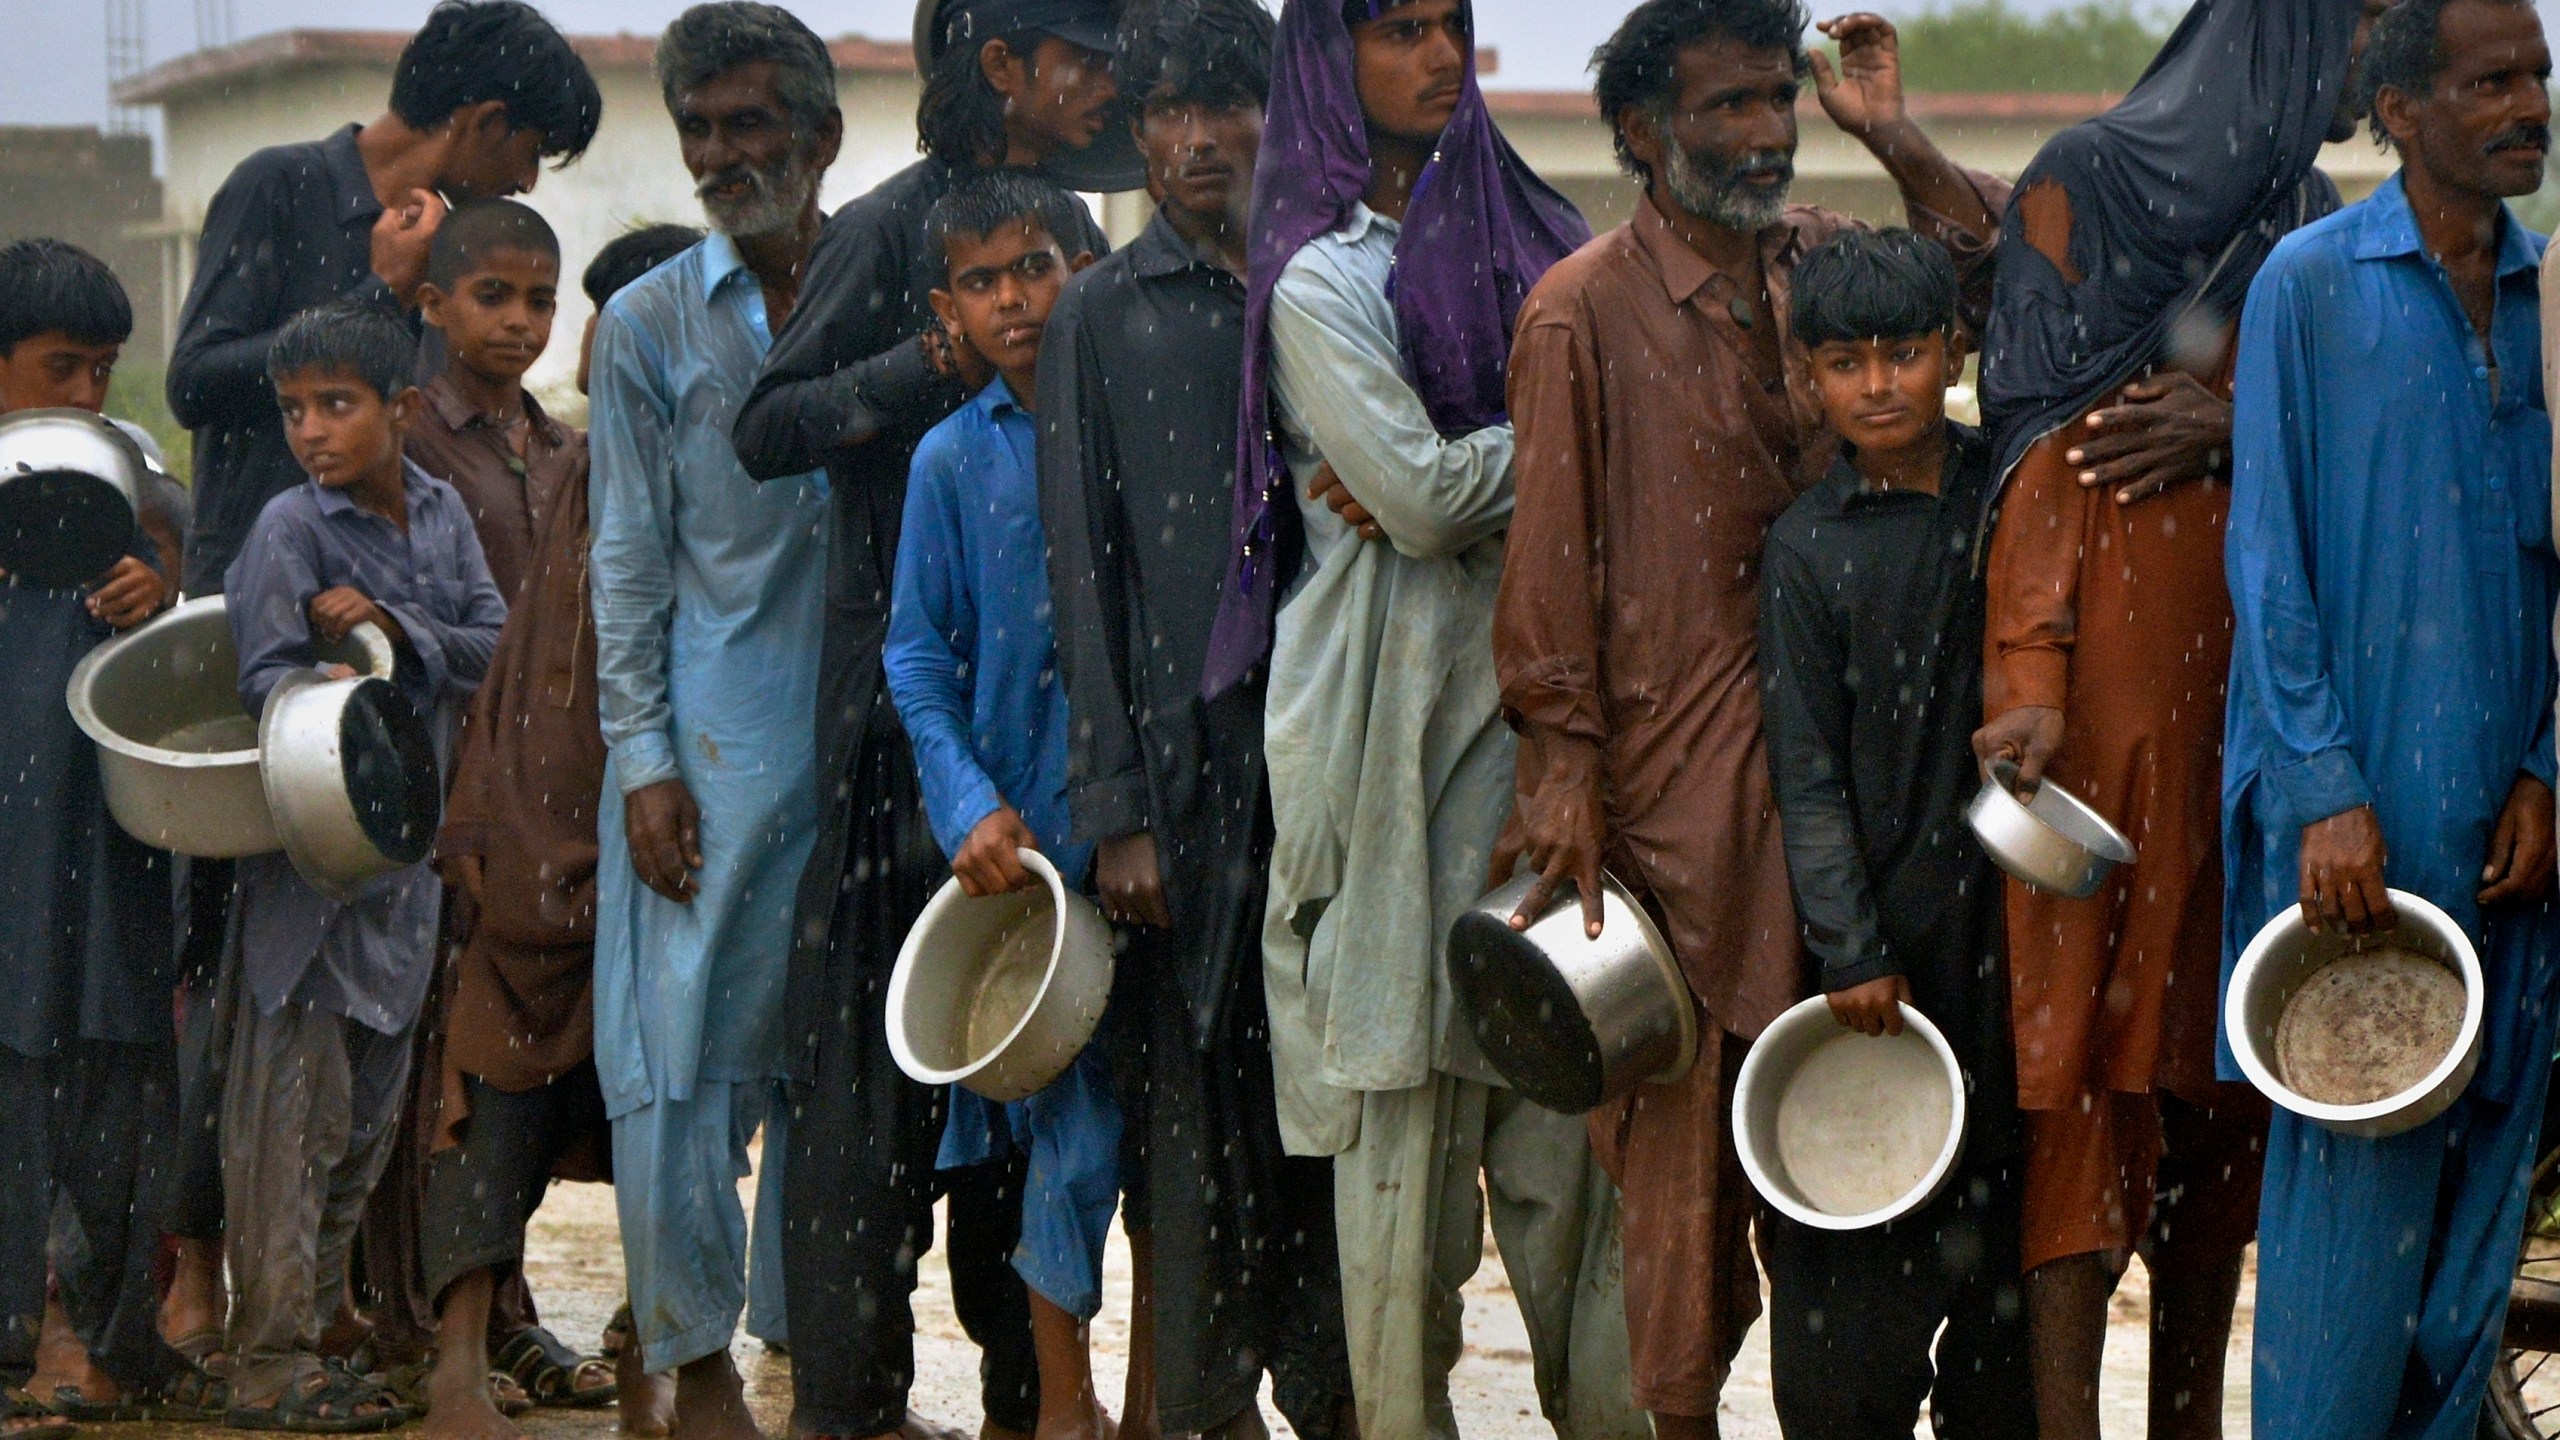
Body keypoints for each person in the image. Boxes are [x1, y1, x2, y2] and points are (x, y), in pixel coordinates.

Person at [1491, 3, 2004, 1433]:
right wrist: (1561, 770)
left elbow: (1992, 272)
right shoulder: (1578, 313)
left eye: (1778, 99)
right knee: (1682, 1190)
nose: (1768, 131)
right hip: (1683, 814)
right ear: (1644, 132)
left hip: (1862, 798)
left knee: (1854, 1150)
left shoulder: (1826, 270)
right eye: (1727, 107)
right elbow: (1548, 579)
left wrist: (1889, 131)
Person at [1190, 4, 1628, 1438]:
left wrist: (1466, 461)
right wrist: (1553, 428)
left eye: (1451, 24)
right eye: (1395, 30)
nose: (1437, 56)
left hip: (1548, 756)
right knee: (1399, 1189)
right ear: (1331, 62)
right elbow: (1429, 498)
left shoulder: (1541, 240)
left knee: (1576, 1157)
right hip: (1383, 753)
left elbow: (1444, 486)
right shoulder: (1321, 284)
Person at [1968, 3, 2387, 1434]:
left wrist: (2236, 427)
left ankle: (2192, 1417)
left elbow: (2348, 444)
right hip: (2098, 722)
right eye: (2365, 22)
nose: (2375, 57)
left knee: (2230, 1075)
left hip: (2261, 718)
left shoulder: (2316, 215)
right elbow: (2032, 449)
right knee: (2086, 1084)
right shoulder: (2085, 180)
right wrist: (2026, 688)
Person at [157, 3, 597, 1361]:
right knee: (244, 983)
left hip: (388, 679)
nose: (506, 206)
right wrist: (368, 277)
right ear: (478, 130)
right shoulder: (284, 188)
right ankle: (201, 1280)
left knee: (373, 1002)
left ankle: (352, 1297)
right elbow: (196, 377)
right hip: (266, 639)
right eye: (516, 168)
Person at [729, 2, 1122, 1435]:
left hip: (1051, 752)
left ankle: (1028, 1397)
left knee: (1029, 1055)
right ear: (1008, 66)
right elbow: (769, 428)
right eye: (1087, 57)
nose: (1110, 86)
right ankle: (853, 1407)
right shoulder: (893, 229)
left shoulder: (1075, 225)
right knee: (870, 1092)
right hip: (903, 725)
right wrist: (925, 372)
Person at [2226, 2, 2557, 1434]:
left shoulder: (2557, 300)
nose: (2530, 103)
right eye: (2492, 80)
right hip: (2357, 849)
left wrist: (2550, 766)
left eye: (2539, 75)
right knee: (2346, 1266)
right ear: (2402, 109)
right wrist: (2323, 789)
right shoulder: (2310, 285)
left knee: (2472, 1264)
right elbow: (2269, 560)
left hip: (2521, 843)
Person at [1036, 5, 1354, 1439]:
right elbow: (1082, 571)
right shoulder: (1104, 313)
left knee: (1334, 1123)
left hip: (1334, 777)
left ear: (1280, 116)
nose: (1197, 140)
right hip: (1181, 790)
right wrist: (1116, 812)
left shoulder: (1342, 278)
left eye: (1227, 107)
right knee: (1191, 1140)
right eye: (1164, 113)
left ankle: (1338, 1396)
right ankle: (1207, 1410)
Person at [586, 10, 838, 1440]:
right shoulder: (651, 323)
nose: (724, 154)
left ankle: (814, 1366)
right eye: (701, 130)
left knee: (826, 1065)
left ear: (821, 137)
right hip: (706, 754)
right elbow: (625, 558)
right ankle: (690, 1372)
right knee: (678, 1074)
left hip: (858, 741)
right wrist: (645, 765)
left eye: (750, 124)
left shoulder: (885, 288)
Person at [1754, 228, 2031, 1438]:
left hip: (2012, 950)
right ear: (1806, 375)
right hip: (1879, 971)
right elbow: (1804, 771)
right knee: (1843, 1332)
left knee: (2006, 1313)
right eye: (1846, 362)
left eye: (1905, 354)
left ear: (1951, 352)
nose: (1877, 386)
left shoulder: (2011, 492)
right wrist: (1849, 945)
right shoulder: (1805, 550)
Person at [410, 208, 675, 1440]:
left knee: (667, 1097)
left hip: (662, 826)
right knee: (494, 1076)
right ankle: (454, 1351)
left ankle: (658, 1343)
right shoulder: (568, 471)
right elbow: (522, 667)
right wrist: (483, 825)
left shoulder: (701, 469)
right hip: (536, 817)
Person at [220, 298, 506, 1433]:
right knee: (290, 1121)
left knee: (361, 1122)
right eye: (293, 410)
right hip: (317, 870)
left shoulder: (439, 511)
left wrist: (398, 622)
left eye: (335, 405)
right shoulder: (290, 528)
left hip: (406, 868)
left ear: (399, 408)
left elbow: (496, 637)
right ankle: (267, 1361)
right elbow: (265, 687)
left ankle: (316, 1321)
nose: (311, 431)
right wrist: (340, 667)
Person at [887, 170, 1127, 1440]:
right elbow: (918, 657)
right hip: (1021, 846)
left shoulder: (1146, 422)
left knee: (1165, 1141)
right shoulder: (948, 458)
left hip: (1153, 833)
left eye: (1033, 266)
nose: (1014, 298)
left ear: (1085, 267)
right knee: (1051, 1138)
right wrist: (966, 802)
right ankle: (1058, 1406)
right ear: (949, 307)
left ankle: (1147, 1402)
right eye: (982, 281)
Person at [0, 239, 223, 1440]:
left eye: (101, 372)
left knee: (122, 1069)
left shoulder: (129, 490)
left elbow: (179, 622)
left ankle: (115, 1334)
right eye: (60, 368)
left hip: (109, 844)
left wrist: (154, 582)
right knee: (17, 1072)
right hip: (11, 852)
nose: (84, 396)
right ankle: (45, 1341)